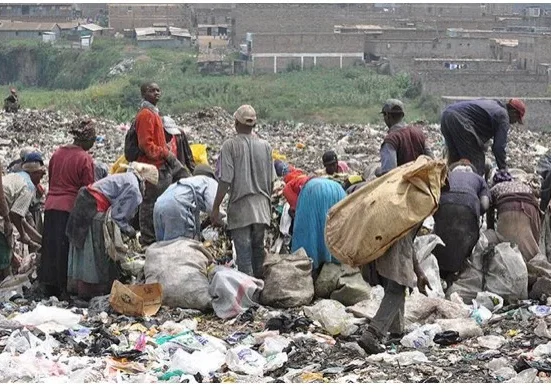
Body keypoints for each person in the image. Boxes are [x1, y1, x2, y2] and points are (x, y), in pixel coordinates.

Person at [66, 163, 158, 300]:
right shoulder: (134, 190)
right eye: (150, 187)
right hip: (93, 210)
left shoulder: (128, 177)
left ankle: (80, 290)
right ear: (146, 182)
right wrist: (130, 232)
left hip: (84, 202)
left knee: (84, 250)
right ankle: (91, 293)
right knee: (95, 252)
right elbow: (118, 217)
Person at [211, 105, 275, 279]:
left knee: (244, 256)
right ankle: (260, 291)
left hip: (241, 208)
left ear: (236, 123)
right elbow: (271, 181)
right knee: (258, 251)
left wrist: (216, 207)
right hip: (261, 208)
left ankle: (249, 297)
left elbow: (225, 180)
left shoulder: (230, 146)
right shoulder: (266, 146)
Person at [39, 119, 96, 299]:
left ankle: (47, 286)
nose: (94, 143)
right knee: (66, 249)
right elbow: (88, 189)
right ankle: (64, 289)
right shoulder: (84, 158)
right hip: (69, 207)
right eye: (93, 139)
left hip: (50, 205)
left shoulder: (57, 153)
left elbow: (52, 178)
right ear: (85, 139)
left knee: (50, 247)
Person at [135, 82, 184, 246]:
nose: (156, 93)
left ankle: (157, 236)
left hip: (158, 164)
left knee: (159, 201)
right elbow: (146, 145)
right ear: (144, 94)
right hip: (151, 166)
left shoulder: (153, 114)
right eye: (151, 90)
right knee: (150, 203)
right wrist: (164, 153)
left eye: (158, 90)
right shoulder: (145, 115)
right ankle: (149, 238)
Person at [432, 160, 490, 286]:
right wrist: (475, 215)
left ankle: (441, 275)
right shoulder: (479, 179)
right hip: (469, 205)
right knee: (465, 241)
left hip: (444, 203)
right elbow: (485, 204)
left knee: (442, 238)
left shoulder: (447, 175)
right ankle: (459, 275)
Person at [440, 98, 525, 176]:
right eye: (516, 119)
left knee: (455, 160)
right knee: (477, 163)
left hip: (446, 115)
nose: (514, 123)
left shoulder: (493, 104)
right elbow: (498, 147)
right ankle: (473, 190)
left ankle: (450, 188)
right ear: (513, 112)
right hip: (459, 119)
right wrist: (503, 169)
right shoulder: (503, 116)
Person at [0, 158, 46, 281]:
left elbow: (21, 220)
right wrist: (23, 235)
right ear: (34, 173)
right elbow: (15, 215)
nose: (41, 178)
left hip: (3, 212)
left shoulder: (16, 176)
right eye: (41, 175)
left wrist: (40, 240)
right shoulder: (29, 187)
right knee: (4, 256)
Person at [291, 178, 346, 278]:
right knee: (334, 228)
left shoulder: (301, 188)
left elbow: (302, 228)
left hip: (313, 191)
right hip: (337, 192)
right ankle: (332, 262)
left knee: (310, 229)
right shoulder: (342, 189)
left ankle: (310, 266)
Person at [154, 164, 220, 242]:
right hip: (177, 204)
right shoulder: (210, 181)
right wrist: (224, 223)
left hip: (159, 203)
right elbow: (213, 208)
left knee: (163, 244)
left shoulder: (187, 182)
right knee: (182, 244)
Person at [487, 170, 541, 263]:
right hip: (531, 208)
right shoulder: (521, 184)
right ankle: (534, 261)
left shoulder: (494, 188)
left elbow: (489, 213)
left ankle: (512, 263)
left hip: (508, 206)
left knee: (507, 242)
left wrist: (491, 231)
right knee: (530, 240)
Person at [375, 99, 432, 177]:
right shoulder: (419, 133)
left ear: (387, 115)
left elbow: (389, 173)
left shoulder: (391, 140)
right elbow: (431, 160)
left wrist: (378, 172)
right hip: (421, 183)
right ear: (402, 115)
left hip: (402, 185)